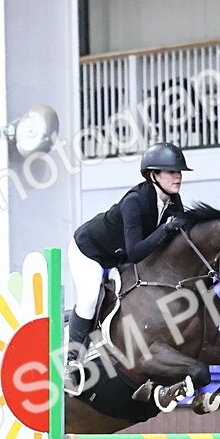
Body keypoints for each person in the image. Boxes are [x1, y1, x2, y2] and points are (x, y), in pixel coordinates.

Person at [65, 142, 192, 364]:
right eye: (172, 172)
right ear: (154, 175)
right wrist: (166, 228)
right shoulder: (135, 201)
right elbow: (135, 252)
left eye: (179, 172)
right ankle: (72, 361)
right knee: (89, 297)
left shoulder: (173, 201)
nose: (178, 177)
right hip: (90, 250)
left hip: (118, 256)